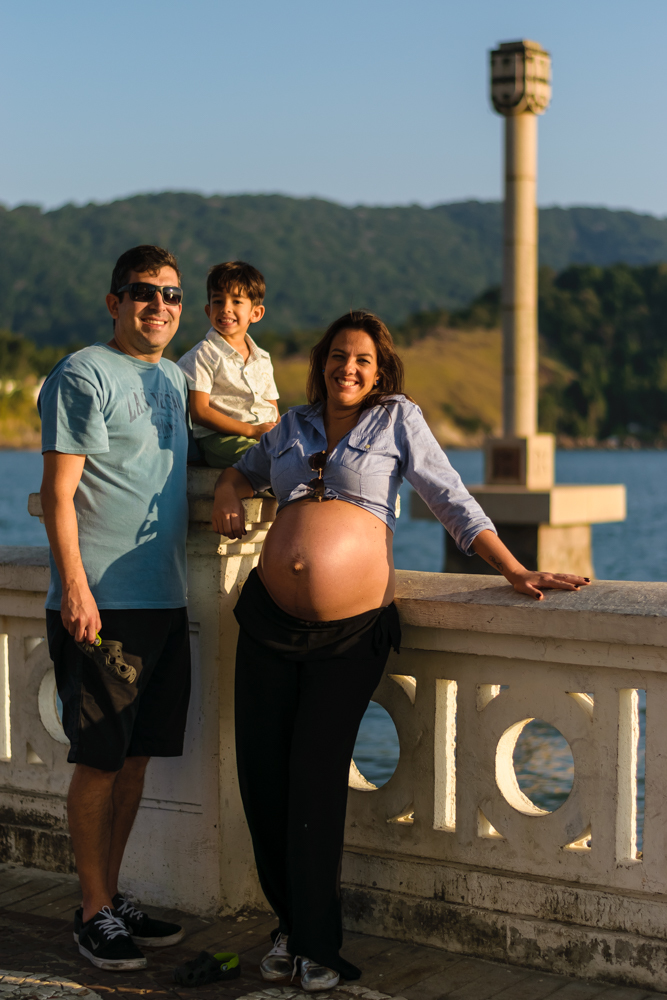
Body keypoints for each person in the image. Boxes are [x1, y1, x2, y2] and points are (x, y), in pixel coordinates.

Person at [211, 310, 590, 994]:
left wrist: (513, 569)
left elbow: (450, 500)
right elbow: (242, 473)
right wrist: (228, 491)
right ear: (321, 362)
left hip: (351, 630)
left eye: (361, 359)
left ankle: (317, 945)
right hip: (266, 625)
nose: (346, 368)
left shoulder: (397, 420)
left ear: (380, 370)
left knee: (315, 781)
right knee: (261, 780)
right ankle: (288, 927)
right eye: (336, 356)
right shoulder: (289, 428)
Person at [38, 245, 193, 972]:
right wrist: (74, 587)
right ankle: (92, 910)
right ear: (114, 301)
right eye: (142, 293)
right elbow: (60, 494)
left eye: (170, 295)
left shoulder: (172, 377)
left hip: (163, 597)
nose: (157, 306)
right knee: (99, 760)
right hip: (104, 604)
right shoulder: (82, 373)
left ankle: (113, 894)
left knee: (135, 761)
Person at [177, 260, 280, 468]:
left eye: (236, 301)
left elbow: (273, 410)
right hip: (220, 439)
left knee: (306, 456)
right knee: (270, 462)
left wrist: (278, 433)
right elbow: (200, 411)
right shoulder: (203, 355)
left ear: (256, 313)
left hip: (262, 437)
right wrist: (252, 431)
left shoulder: (262, 358)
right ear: (208, 310)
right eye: (218, 301)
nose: (225, 309)